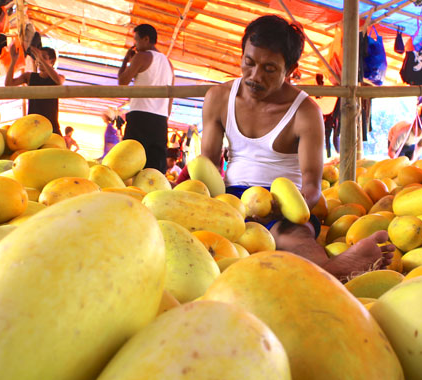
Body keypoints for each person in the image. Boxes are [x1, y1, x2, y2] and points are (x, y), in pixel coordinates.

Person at [202, 15, 394, 282]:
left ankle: (334, 270)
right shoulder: (219, 98)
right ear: (242, 54)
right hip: (231, 200)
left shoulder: (305, 113)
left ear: (290, 69)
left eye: (269, 69)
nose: (255, 76)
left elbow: (313, 187)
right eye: (249, 63)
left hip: (284, 203)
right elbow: (207, 167)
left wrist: (283, 210)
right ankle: (331, 271)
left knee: (290, 235)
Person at [118, 24, 174, 173]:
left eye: (136, 40)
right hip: (160, 120)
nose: (134, 45)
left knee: (130, 163)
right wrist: (165, 116)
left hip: (140, 116)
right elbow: (171, 95)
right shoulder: (169, 64)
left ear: (146, 39)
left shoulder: (142, 56)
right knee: (155, 168)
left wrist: (126, 61)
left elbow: (122, 81)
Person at [5, 43, 65, 135]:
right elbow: (8, 84)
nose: (39, 60)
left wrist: (40, 58)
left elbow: (59, 81)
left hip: (51, 125)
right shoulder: (29, 77)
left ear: (52, 61)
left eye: (44, 57)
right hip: (32, 124)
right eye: (37, 57)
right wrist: (13, 61)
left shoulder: (59, 77)